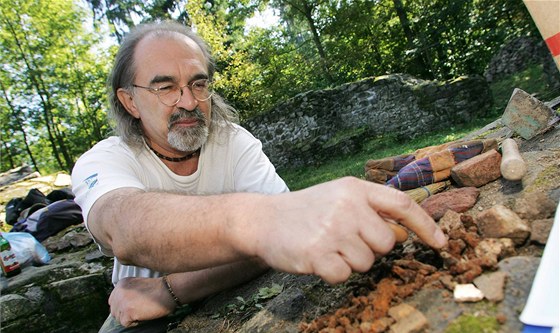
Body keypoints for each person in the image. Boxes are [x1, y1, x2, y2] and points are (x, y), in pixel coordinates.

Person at [71, 20, 447, 332]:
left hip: (216, 293)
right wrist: (263, 219)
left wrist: (170, 289)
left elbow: (274, 246)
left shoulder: (235, 142)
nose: (188, 101)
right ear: (130, 101)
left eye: (199, 84)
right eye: (166, 86)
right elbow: (124, 226)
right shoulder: (104, 160)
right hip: (134, 312)